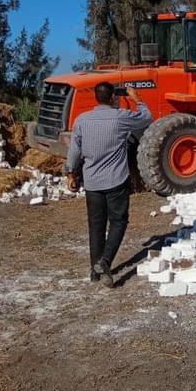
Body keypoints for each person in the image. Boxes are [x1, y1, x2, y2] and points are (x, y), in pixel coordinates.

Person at [65, 82, 153, 288]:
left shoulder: (82, 120)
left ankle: (94, 270)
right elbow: (147, 118)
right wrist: (136, 98)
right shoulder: (121, 117)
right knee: (119, 221)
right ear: (113, 96)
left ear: (96, 97)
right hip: (116, 180)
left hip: (92, 182)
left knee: (96, 225)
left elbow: (75, 151)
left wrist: (71, 173)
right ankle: (104, 263)